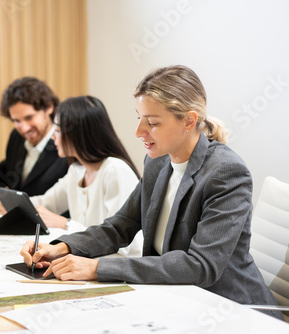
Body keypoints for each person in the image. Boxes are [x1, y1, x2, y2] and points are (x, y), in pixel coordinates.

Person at [20, 65, 283, 320]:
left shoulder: (226, 172)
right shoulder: (158, 162)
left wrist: (98, 268)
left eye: (152, 123)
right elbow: (119, 227)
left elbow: (201, 266)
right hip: (176, 300)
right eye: (139, 119)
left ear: (189, 121)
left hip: (230, 309)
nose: (138, 132)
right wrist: (62, 247)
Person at [1, 95, 143, 256]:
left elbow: (120, 242)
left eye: (58, 130)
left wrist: (65, 224)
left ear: (79, 134)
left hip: (117, 266)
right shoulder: (77, 170)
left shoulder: (114, 170)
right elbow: (47, 203)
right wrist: (11, 203)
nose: (54, 137)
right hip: (85, 260)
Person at [0, 77, 68, 196]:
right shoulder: (17, 136)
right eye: (17, 121)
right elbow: (12, 169)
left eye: (29, 118)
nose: (24, 129)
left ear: (49, 107)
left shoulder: (67, 144)